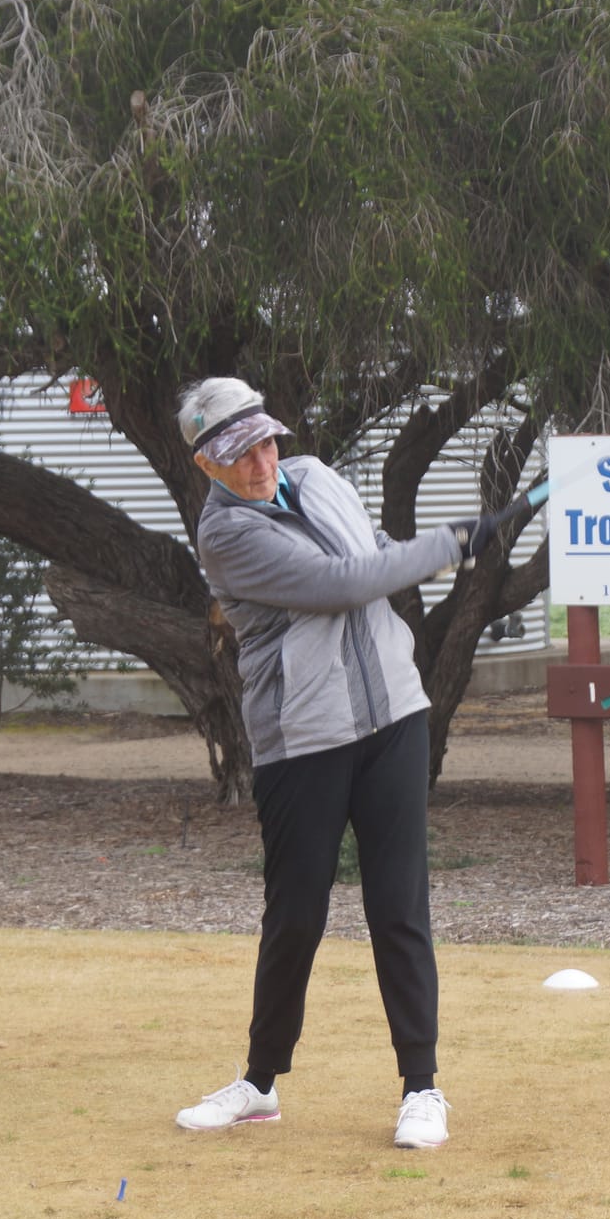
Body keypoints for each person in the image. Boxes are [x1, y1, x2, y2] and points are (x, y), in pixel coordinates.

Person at [170, 376, 500, 1150]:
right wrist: (453, 542)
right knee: (296, 916)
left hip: (393, 714)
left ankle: (422, 1087)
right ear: (206, 466)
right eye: (238, 453)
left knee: (398, 904)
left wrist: (441, 546)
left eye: (264, 440)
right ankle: (259, 1083)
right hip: (304, 738)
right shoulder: (224, 536)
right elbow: (340, 584)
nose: (260, 461)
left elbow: (373, 553)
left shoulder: (316, 477)